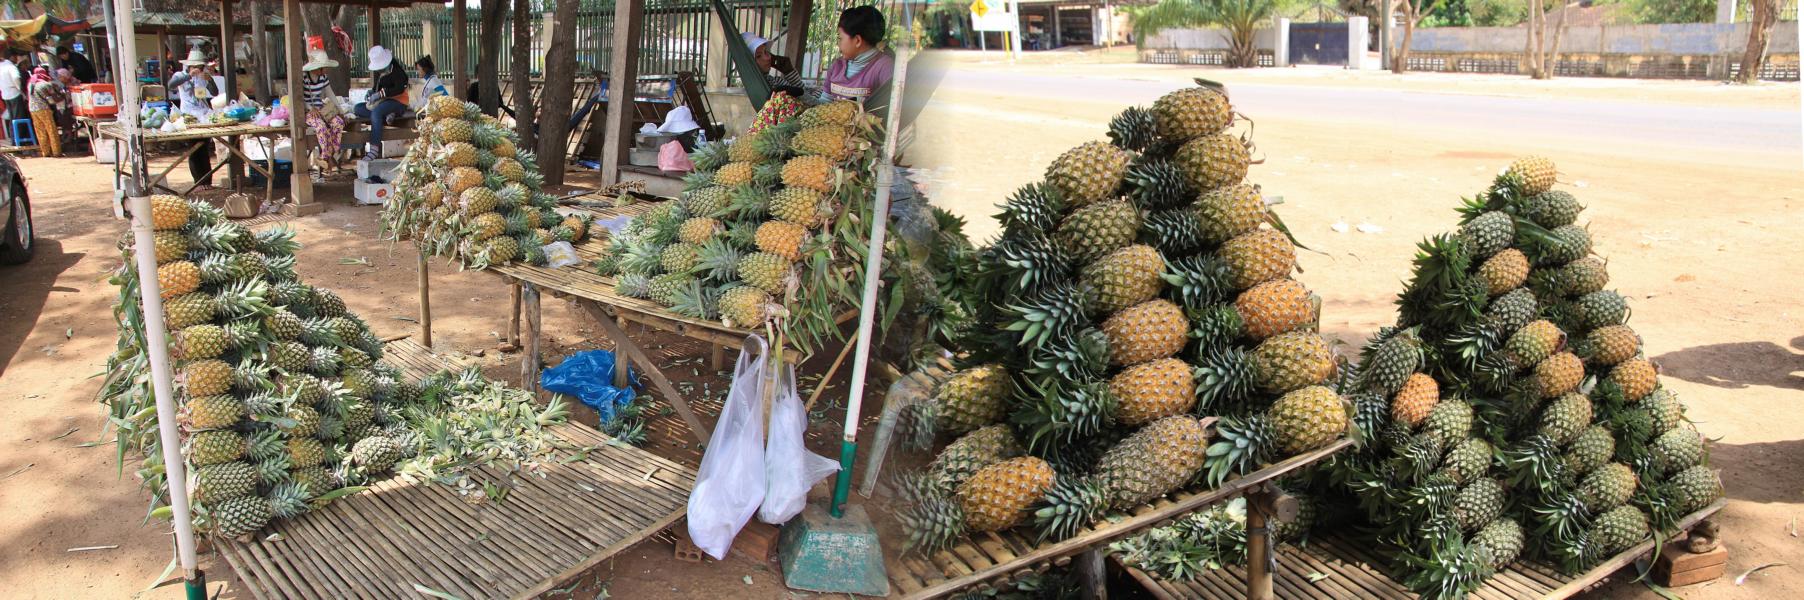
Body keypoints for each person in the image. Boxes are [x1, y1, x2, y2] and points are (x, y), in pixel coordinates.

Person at [819, 6, 894, 114]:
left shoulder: (885, 67)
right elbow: (824, 104)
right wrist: (801, 96)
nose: (838, 43)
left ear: (857, 40)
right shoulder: (837, 66)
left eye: (840, 38)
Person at [167, 49, 218, 188]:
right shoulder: (181, 75)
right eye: (196, 67)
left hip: (203, 115)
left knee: (204, 149)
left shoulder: (203, 76)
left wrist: (210, 80)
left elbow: (215, 92)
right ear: (189, 66)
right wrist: (189, 76)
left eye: (200, 67)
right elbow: (171, 85)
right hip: (189, 116)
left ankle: (207, 181)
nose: (198, 69)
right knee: (194, 149)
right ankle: (199, 182)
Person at [353, 45, 408, 166]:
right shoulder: (381, 73)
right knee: (358, 108)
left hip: (398, 102)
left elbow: (399, 88)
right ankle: (388, 115)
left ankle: (374, 149)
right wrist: (372, 92)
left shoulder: (397, 71)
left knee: (377, 112)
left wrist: (380, 94)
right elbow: (377, 88)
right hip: (382, 104)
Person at [299, 48, 346, 171]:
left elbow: (330, 94)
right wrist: (310, 108)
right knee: (321, 127)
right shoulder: (303, 77)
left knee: (339, 123)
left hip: (321, 108)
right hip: (308, 110)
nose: (325, 69)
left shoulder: (323, 77)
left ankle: (326, 155)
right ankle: (327, 157)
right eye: (323, 67)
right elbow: (299, 97)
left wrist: (340, 111)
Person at [25, 67, 64, 157]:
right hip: (43, 109)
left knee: (40, 131)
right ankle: (56, 152)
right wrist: (63, 96)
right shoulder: (45, 84)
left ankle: (45, 152)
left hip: (32, 109)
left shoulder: (30, 83)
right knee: (51, 130)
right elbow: (54, 99)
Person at [0, 50, 24, 145]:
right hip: (14, 93)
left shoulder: (2, 66)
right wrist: (20, 90)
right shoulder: (10, 66)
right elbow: (16, 78)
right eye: (16, 57)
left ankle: (14, 140)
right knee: (19, 118)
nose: (17, 59)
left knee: (12, 119)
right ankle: (19, 142)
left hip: (5, 94)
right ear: (12, 57)